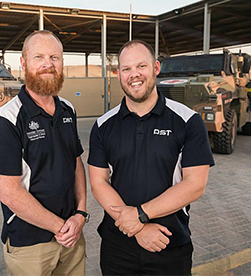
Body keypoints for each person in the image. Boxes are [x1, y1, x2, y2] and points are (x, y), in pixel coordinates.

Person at [88, 40, 214, 276]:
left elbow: (195, 185)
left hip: (168, 244)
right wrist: (137, 228)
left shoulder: (188, 121)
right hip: (117, 247)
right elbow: (98, 182)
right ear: (118, 74)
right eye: (126, 69)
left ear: (156, 68)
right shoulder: (103, 125)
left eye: (141, 66)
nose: (134, 75)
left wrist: (140, 215)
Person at [0, 30, 88, 276]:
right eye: (39, 57)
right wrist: (62, 227)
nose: (48, 64)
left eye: (55, 57)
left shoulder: (68, 110)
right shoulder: (7, 120)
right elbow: (10, 194)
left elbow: (76, 162)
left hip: (72, 237)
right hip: (31, 244)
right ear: (23, 64)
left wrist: (81, 213)